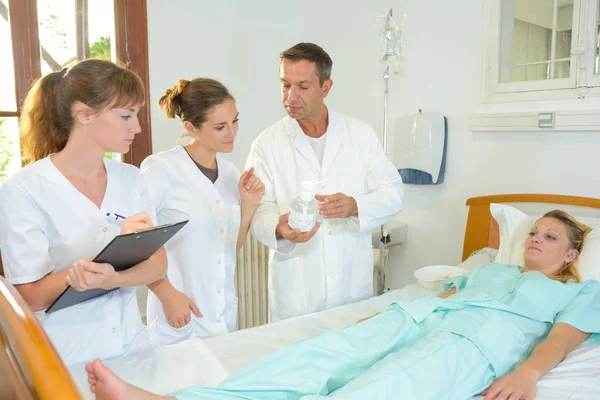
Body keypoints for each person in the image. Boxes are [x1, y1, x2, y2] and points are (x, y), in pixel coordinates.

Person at [85, 209, 600, 399]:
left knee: (377, 388)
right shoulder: (491, 267)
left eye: (549, 237)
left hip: (470, 345)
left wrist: (530, 374)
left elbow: (561, 338)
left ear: (571, 254)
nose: (534, 239)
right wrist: (398, 311)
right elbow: (448, 292)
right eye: (532, 231)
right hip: (416, 318)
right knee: (313, 359)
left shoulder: (578, 291)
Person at [0, 59, 167, 366]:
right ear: (84, 114)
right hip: (68, 358)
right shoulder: (23, 190)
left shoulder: (131, 178)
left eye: (137, 115)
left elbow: (158, 264)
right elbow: (30, 295)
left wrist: (110, 279)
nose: (137, 127)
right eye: (126, 115)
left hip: (133, 348)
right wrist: (93, 265)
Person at [246, 42, 404, 321]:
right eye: (285, 85)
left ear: (326, 87)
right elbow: (259, 208)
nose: (291, 96)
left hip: (350, 287)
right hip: (297, 291)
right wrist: (279, 228)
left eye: (303, 87)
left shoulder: (359, 135)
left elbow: (392, 191)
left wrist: (356, 206)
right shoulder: (267, 144)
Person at [141, 78, 264, 347]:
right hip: (178, 314)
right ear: (190, 128)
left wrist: (248, 206)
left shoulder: (231, 174)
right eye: (220, 127)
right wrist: (165, 293)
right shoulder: (162, 169)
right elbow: (134, 243)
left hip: (221, 314)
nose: (232, 132)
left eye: (235, 121)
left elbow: (232, 246)